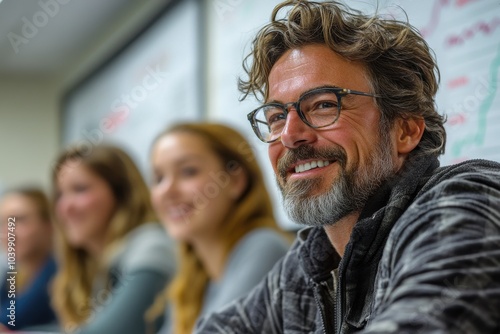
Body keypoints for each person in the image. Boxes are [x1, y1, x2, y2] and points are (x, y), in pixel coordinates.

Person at [195, 1, 500, 333]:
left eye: (325, 105)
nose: (291, 135)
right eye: (277, 116)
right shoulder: (309, 266)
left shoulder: (468, 202)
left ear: (405, 130)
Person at [149, 122, 291, 334]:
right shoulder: (192, 279)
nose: (166, 191)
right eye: (159, 178)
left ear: (235, 180)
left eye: (188, 172)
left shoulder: (264, 245)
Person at [51, 144, 176, 334]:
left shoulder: (152, 245)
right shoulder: (99, 264)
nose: (65, 207)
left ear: (122, 194)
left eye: (80, 189)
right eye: (60, 194)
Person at [0, 187, 57, 331]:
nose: (9, 232)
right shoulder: (13, 275)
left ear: (48, 224)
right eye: (2, 222)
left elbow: (9, 320)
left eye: (18, 220)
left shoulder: (58, 271)